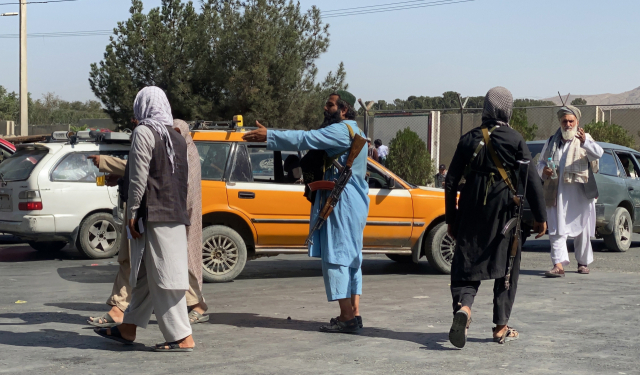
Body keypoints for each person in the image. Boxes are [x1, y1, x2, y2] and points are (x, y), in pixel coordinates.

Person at [242, 90, 369, 334]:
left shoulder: (341, 130)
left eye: (330, 105)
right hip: (354, 201)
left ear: (343, 110)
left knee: (336, 256)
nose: (325, 109)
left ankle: (346, 317)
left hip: (340, 201)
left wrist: (270, 135)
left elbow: (305, 139)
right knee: (352, 258)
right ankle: (355, 312)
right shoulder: (357, 131)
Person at [444, 87, 547, 348]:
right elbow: (531, 180)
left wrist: (452, 218)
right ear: (507, 109)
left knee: (466, 264)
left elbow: (451, 180)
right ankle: (501, 327)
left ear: (486, 109)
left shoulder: (468, 139)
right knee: (507, 265)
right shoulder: (515, 139)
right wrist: (540, 216)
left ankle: (464, 308)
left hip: (470, 208)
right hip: (504, 212)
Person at [94, 86, 195, 352]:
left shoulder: (143, 132)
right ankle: (128, 328)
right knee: (146, 275)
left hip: (152, 214)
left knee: (163, 277)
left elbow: (139, 176)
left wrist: (134, 211)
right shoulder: (177, 137)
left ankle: (182, 336)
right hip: (174, 213)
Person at [87, 127, 208, 328]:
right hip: (148, 213)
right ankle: (124, 316)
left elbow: (149, 169)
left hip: (162, 215)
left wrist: (110, 163)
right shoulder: (160, 138)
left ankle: (187, 319)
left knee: (168, 268)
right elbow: (143, 172)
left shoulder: (178, 147)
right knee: (138, 264)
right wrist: (122, 179)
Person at [538, 105, 603, 277]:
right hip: (557, 192)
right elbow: (540, 163)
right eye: (564, 121)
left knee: (583, 229)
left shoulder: (585, 138)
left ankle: (583, 262)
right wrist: (543, 171)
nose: (567, 124)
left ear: (577, 122)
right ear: (560, 122)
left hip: (581, 193)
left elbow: (598, 154)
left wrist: (585, 142)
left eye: (571, 121)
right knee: (556, 228)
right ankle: (558, 265)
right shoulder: (552, 141)